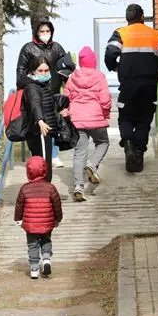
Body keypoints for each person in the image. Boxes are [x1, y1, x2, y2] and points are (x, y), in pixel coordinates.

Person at [104, 4, 158, 173]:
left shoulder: (121, 33)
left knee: (125, 117)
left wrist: (115, 67)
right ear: (142, 17)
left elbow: (110, 54)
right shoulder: (155, 34)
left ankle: (128, 143)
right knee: (144, 119)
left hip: (128, 84)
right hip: (149, 84)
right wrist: (154, 68)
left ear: (127, 18)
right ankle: (138, 153)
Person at [16, 18, 70, 168]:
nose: (45, 34)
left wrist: (68, 89)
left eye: (48, 31)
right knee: (36, 122)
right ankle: (36, 157)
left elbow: (65, 69)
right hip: (35, 92)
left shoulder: (57, 48)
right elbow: (20, 72)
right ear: (36, 32)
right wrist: (31, 85)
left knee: (53, 121)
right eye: (42, 31)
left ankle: (53, 155)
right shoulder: (28, 48)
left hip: (52, 91)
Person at [62, 46, 112, 201]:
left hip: (77, 119)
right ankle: (93, 164)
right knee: (103, 142)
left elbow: (65, 98)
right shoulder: (100, 76)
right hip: (96, 117)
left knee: (79, 153)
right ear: (94, 62)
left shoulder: (72, 77)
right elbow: (105, 100)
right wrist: (105, 114)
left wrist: (68, 112)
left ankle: (78, 187)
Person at [14, 156, 63, 279]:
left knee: (32, 244)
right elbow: (57, 204)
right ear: (45, 170)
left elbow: (19, 205)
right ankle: (46, 259)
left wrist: (18, 219)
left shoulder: (24, 188)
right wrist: (58, 218)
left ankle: (34, 268)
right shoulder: (50, 188)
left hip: (30, 225)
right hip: (47, 223)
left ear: (28, 172)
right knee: (46, 240)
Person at [22, 56, 61, 182]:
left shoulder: (43, 85)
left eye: (46, 70)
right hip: (39, 130)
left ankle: (44, 191)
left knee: (45, 163)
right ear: (33, 71)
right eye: (40, 71)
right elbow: (35, 104)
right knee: (42, 164)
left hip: (46, 129)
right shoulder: (32, 87)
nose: (44, 73)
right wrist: (40, 121)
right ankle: (43, 193)